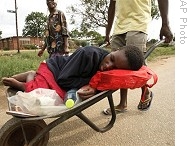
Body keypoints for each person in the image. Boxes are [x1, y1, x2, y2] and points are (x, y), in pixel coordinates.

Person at [103, 0, 174, 115]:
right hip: (119, 27)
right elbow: (112, 4)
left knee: (137, 64)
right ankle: (122, 103)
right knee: (118, 67)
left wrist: (165, 24)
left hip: (138, 23)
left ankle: (146, 92)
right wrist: (108, 32)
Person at [2, 45, 144, 100]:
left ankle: (33, 78)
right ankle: (29, 77)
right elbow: (63, 80)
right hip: (54, 70)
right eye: (111, 59)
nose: (108, 66)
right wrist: (90, 86)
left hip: (64, 76)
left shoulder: (110, 70)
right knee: (39, 94)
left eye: (115, 68)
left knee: (54, 98)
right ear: (114, 50)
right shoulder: (87, 54)